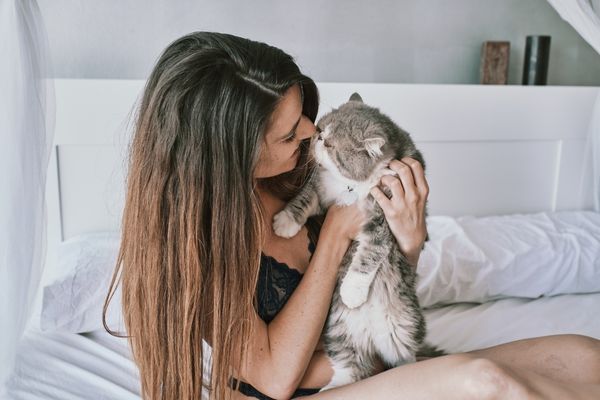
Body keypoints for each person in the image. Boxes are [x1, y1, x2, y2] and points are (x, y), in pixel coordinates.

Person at [103, 31, 600, 400]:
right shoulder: (192, 244)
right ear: (229, 153)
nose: (309, 132)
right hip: (296, 392)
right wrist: (337, 236)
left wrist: (408, 237)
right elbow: (275, 378)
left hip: (364, 361)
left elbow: (378, 285)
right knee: (485, 383)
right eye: (287, 134)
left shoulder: (297, 173)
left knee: (585, 355)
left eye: (303, 114)